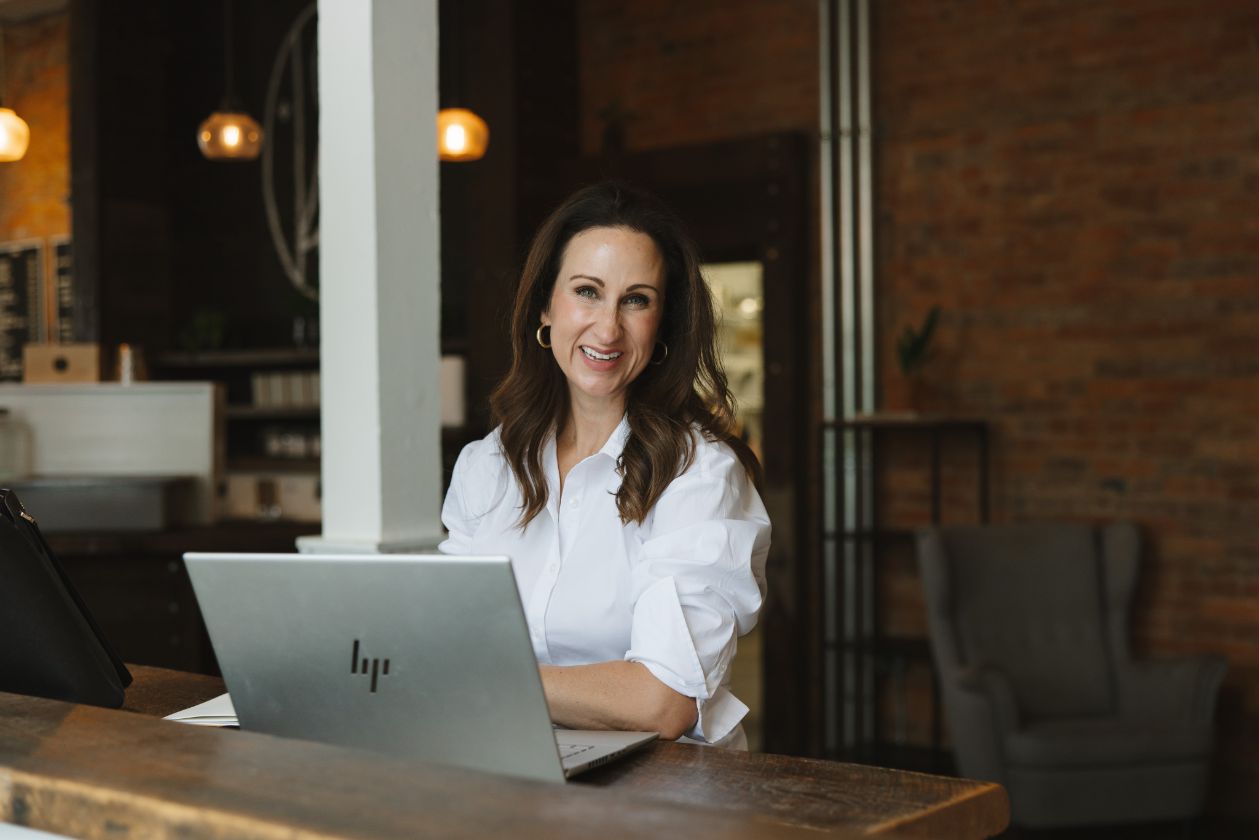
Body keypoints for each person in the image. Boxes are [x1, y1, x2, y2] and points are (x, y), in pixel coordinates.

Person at [439, 182, 770, 748]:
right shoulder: (486, 466)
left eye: (636, 299)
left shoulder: (701, 476)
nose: (609, 327)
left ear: (662, 324)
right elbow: (449, 644)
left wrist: (491, 679)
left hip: (662, 801)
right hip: (517, 768)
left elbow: (663, 701)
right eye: (587, 292)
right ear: (546, 305)